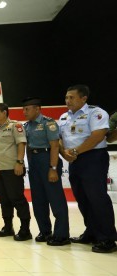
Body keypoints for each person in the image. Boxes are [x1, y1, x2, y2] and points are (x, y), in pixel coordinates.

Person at [58, 85, 117, 253]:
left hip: (93, 158)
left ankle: (108, 238)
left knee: (97, 198)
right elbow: (60, 138)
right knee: (82, 198)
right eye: (66, 97)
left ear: (83, 98)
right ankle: (91, 232)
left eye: (71, 97)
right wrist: (64, 153)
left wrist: (76, 151)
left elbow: (98, 136)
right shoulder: (64, 117)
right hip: (73, 160)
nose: (67, 101)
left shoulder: (96, 113)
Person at [22, 97, 70, 246]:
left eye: (27, 109)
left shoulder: (48, 123)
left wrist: (53, 168)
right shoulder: (26, 126)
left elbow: (55, 146)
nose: (24, 112)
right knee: (38, 199)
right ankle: (45, 231)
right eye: (23, 109)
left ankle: (62, 234)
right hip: (34, 161)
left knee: (55, 198)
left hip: (47, 159)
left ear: (37, 109)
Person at [0, 103, 32, 241]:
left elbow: (21, 144)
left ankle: (25, 230)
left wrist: (19, 162)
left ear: (5, 112)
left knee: (17, 198)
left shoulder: (15, 126)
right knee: (3, 199)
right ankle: (8, 227)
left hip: (12, 168)